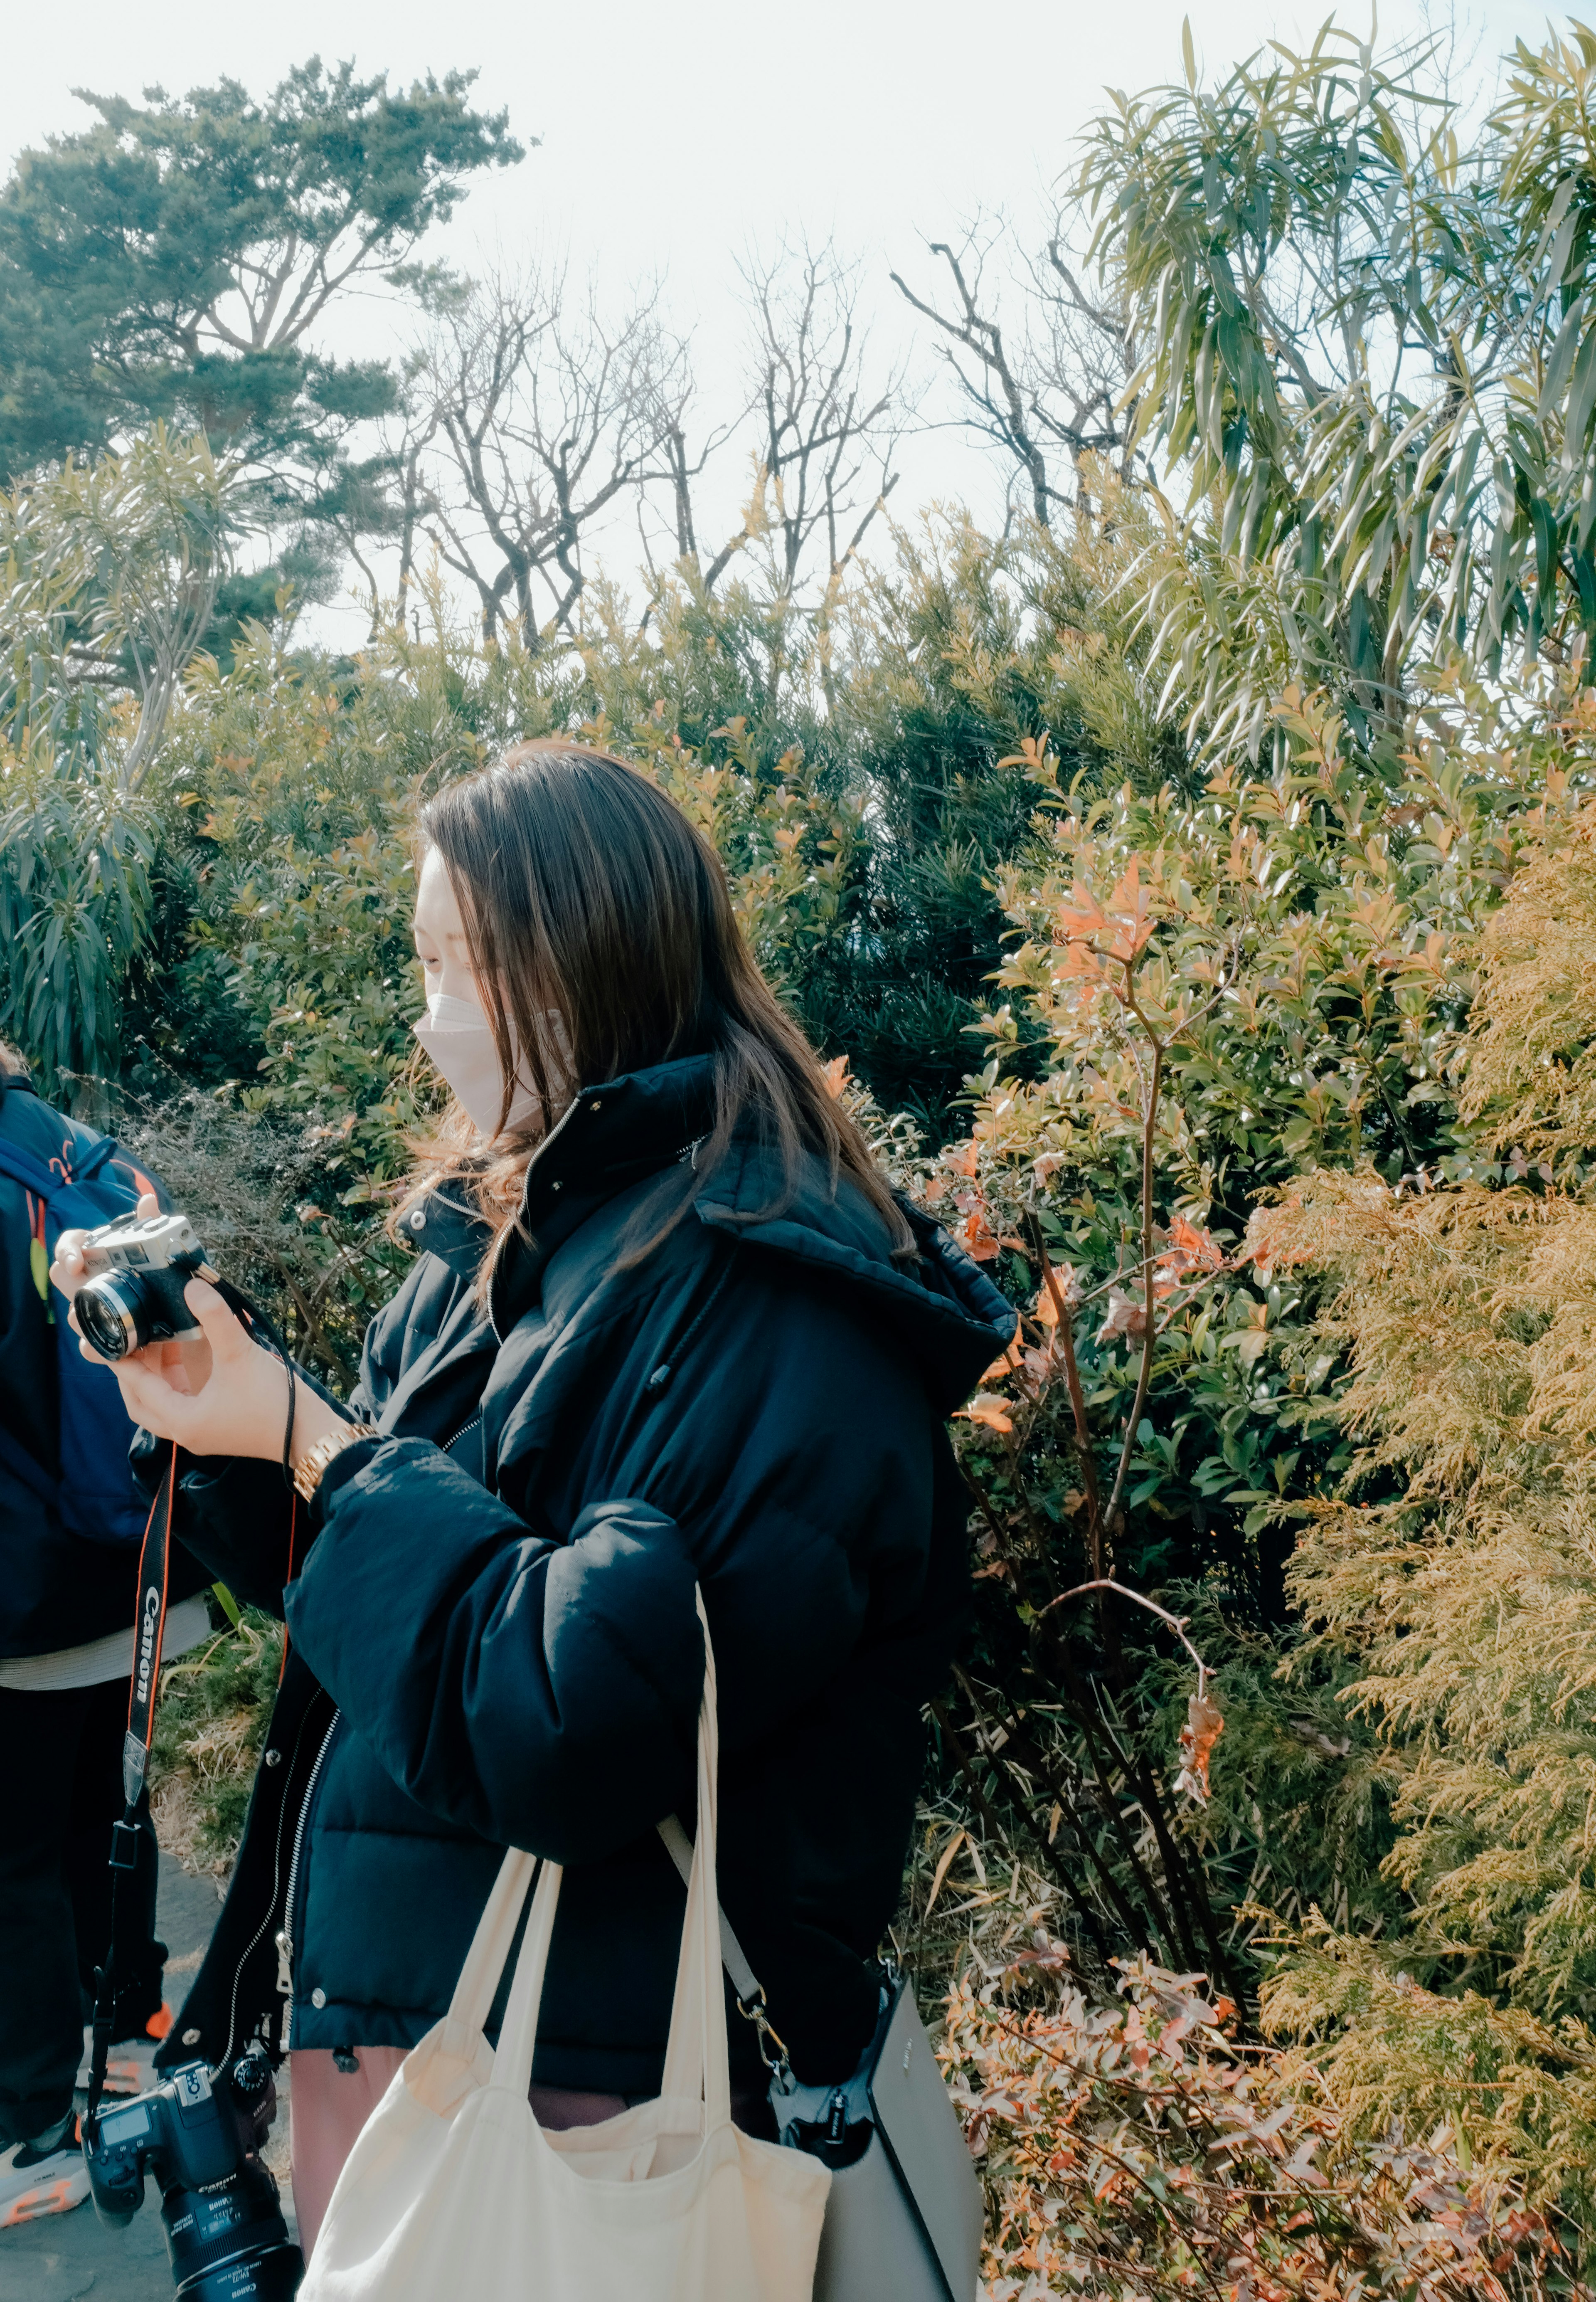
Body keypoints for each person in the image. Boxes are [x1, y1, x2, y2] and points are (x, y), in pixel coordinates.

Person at [53, 740, 1013, 2256]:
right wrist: (223, 1420)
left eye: (454, 966)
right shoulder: (519, 1237)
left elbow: (572, 1724)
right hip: (441, 2066)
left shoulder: (774, 1300)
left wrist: (309, 1435)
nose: (426, 1020)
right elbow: (382, 1598)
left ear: (578, 966)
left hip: (605, 2128)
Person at [0, 1052, 209, 2229]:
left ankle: (34, 2130)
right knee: (92, 1812)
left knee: (12, 1855)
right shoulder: (71, 1144)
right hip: (127, 1565)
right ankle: (119, 2034)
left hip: (25, 1600)